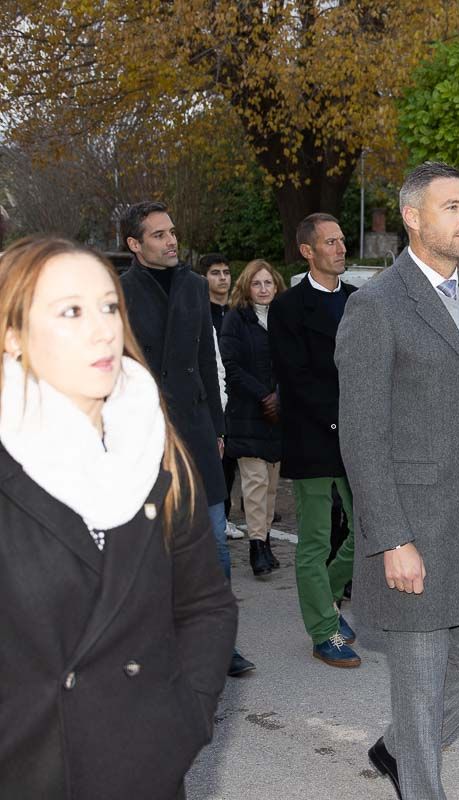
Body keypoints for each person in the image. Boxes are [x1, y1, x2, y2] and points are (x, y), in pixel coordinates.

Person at [0, 236, 237, 798]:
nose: (104, 328)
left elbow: (205, 604)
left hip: (144, 769)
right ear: (13, 338)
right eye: (71, 311)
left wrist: (187, 718)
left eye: (109, 306)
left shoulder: (151, 445)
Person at [336, 161, 459, 800]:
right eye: (452, 207)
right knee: (419, 683)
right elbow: (363, 437)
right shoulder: (376, 306)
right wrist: (391, 537)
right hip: (415, 525)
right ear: (414, 218)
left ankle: (397, 750)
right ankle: (419, 780)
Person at [118, 201, 255, 677]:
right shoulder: (117, 295)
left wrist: (218, 429)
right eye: (158, 235)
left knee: (215, 540)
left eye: (172, 232)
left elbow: (205, 358)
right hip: (143, 438)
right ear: (135, 245)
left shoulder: (196, 288)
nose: (171, 240)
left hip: (197, 432)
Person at [269, 213, 360, 667]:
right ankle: (325, 630)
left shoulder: (360, 301)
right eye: (331, 242)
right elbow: (295, 378)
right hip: (313, 436)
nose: (341, 248)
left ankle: (322, 595)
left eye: (343, 240)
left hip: (358, 437)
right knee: (316, 538)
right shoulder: (287, 307)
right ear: (308, 251)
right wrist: (336, 421)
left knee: (366, 531)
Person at [221, 259, 284, 577]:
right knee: (255, 482)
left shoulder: (285, 319)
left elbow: (294, 362)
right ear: (247, 286)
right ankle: (257, 546)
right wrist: (264, 395)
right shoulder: (236, 320)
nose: (263, 289)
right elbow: (232, 367)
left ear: (276, 286)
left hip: (278, 417)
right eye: (257, 283)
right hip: (247, 413)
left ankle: (266, 541)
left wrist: (281, 397)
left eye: (268, 283)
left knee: (271, 485)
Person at [198, 252, 243, 541]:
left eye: (226, 272)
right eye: (215, 273)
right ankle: (220, 514)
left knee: (235, 461)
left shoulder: (237, 312)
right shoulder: (201, 312)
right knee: (220, 461)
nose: (223, 278)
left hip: (239, 397)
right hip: (215, 398)